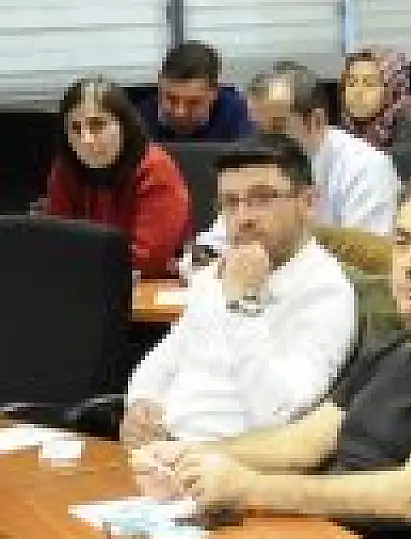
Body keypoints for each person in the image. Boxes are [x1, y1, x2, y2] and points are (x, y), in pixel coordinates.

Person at [132, 168, 411, 539]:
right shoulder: (397, 347)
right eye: (402, 243)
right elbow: (300, 445)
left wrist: (249, 488)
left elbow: (410, 498)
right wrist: (186, 454)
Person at [122, 135, 356, 443]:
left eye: (262, 199)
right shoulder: (216, 274)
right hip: (163, 452)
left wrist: (244, 303)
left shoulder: (326, 292)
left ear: (308, 202)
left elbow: (280, 412)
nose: (243, 218)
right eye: (231, 203)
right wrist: (140, 404)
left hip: (232, 461)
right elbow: (165, 358)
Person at [192, 61, 400, 258]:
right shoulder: (255, 167)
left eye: (277, 128)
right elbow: (216, 241)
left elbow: (369, 263)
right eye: (258, 130)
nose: (264, 143)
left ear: (316, 121)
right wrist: (206, 256)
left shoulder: (366, 168)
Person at [43, 77, 191, 278]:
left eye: (97, 125)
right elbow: (56, 240)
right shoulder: (66, 168)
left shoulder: (156, 169)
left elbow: (148, 258)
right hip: (85, 281)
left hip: (152, 284)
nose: (86, 139)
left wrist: (75, 259)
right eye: (75, 128)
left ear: (124, 126)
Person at [137, 41, 255, 142]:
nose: (180, 112)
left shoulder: (240, 114)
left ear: (214, 92)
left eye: (193, 102)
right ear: (159, 84)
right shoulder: (140, 117)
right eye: (171, 99)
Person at [340, 47, 411, 149]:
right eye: (351, 83)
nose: (357, 92)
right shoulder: (350, 125)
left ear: (392, 89)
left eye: (369, 84)